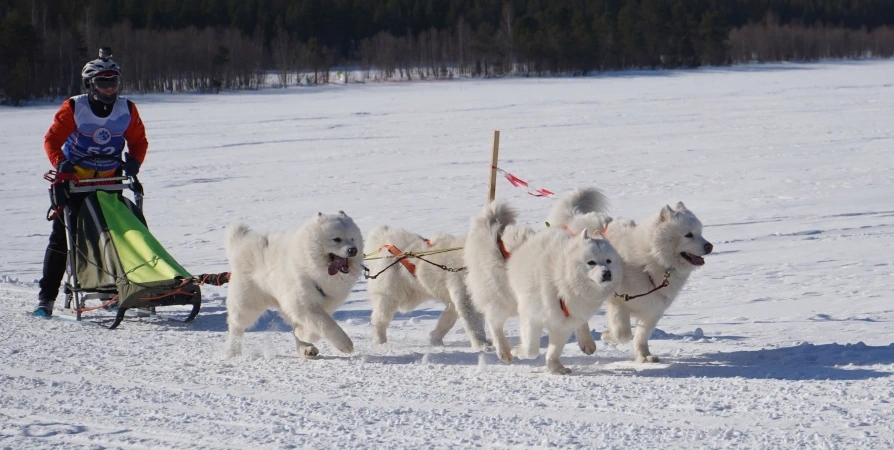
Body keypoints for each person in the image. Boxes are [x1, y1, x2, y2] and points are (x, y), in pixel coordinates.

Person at [34, 48, 148, 317]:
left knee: (119, 235)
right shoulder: (75, 107)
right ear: (90, 84)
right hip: (75, 182)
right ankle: (46, 298)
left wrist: (134, 162)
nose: (109, 89)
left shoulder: (127, 109)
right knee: (63, 238)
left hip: (110, 182)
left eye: (113, 83)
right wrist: (60, 163)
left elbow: (138, 141)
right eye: (103, 83)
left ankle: (119, 287)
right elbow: (51, 140)